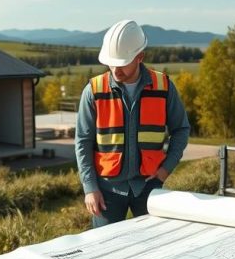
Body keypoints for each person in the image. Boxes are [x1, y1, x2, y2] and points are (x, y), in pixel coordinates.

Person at [75, 19, 191, 228]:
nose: (115, 70)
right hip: (106, 192)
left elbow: (181, 129)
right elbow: (82, 141)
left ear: (140, 57)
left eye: (121, 63)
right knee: (106, 251)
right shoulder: (93, 90)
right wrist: (90, 187)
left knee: (151, 250)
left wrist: (165, 170)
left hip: (149, 188)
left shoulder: (163, 86)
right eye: (111, 63)